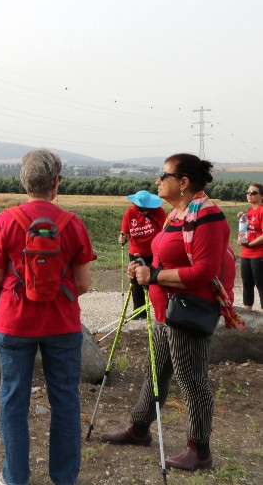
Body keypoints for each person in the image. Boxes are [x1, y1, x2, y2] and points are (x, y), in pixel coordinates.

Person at [100, 154, 237, 472]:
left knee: (193, 381)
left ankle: (199, 450)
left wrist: (155, 276)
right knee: (156, 371)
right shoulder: (177, 215)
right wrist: (145, 267)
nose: (158, 180)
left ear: (184, 182)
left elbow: (203, 271)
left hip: (189, 311)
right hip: (165, 310)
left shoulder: (208, 217)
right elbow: (169, 259)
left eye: (164, 175)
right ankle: (138, 428)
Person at [0, 149, 95, 485]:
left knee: (13, 400)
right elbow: (84, 283)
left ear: (24, 182)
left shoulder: (4, 222)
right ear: (56, 184)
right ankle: (64, 478)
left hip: (15, 323)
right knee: (66, 401)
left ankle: (15, 477)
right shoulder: (72, 224)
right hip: (62, 323)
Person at [118, 190, 167, 319]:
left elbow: (166, 231)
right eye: (140, 208)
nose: (143, 211)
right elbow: (126, 233)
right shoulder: (129, 213)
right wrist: (123, 238)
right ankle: (139, 314)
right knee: (136, 283)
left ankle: (161, 314)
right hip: (136, 253)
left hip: (155, 253)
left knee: (156, 282)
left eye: (145, 208)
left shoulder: (159, 212)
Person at [239, 182, 263, 310]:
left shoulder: (262, 211)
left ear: (261, 196)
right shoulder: (248, 211)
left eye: (253, 193)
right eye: (248, 192)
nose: (249, 195)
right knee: (247, 284)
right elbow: (246, 230)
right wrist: (242, 218)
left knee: (261, 284)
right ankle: (247, 314)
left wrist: (249, 244)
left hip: (259, 254)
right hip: (245, 253)